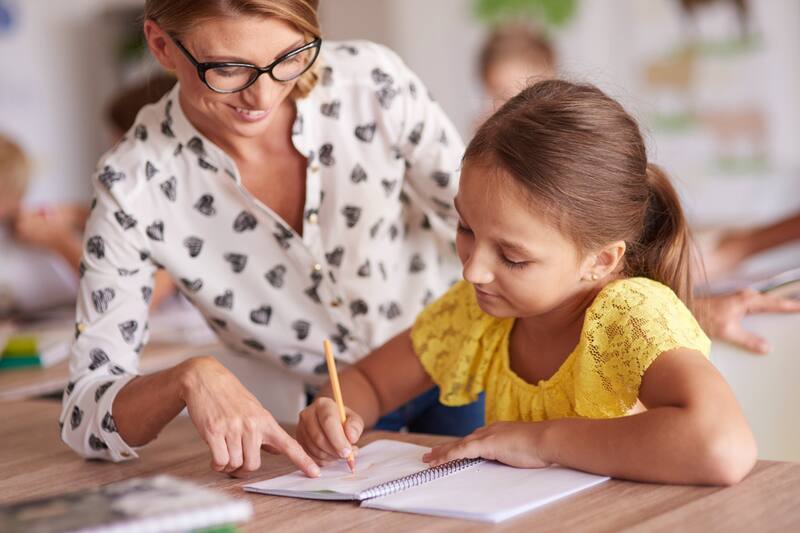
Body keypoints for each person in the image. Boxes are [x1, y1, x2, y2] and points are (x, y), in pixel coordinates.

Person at [59, 0, 479, 478]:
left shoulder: (371, 85)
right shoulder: (134, 185)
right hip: (333, 418)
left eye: (290, 56)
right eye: (229, 69)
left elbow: (492, 223)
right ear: (161, 46)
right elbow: (84, 415)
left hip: (466, 365)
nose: (263, 97)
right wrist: (187, 377)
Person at [297, 80, 757, 486]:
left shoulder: (629, 315)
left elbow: (722, 446)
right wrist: (333, 413)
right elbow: (368, 384)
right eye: (465, 229)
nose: (472, 270)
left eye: (513, 257)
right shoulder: (481, 312)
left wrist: (541, 441)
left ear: (600, 260)